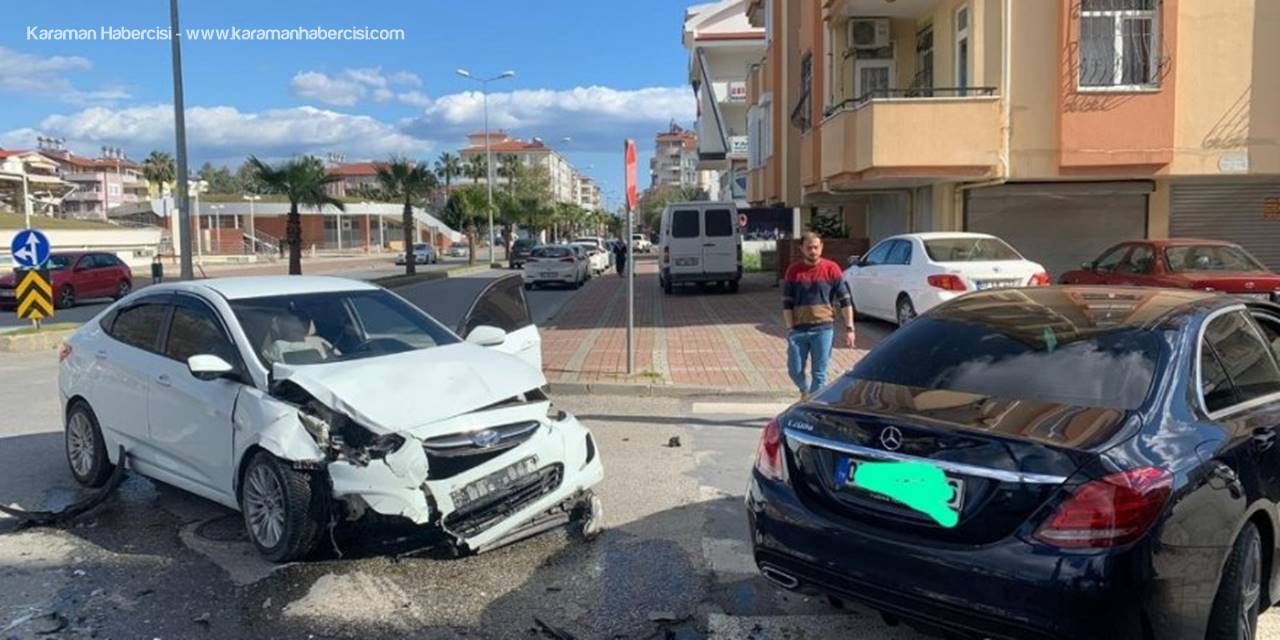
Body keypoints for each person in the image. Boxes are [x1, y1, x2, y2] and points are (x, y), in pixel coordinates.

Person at [783, 232, 854, 400]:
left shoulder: (832, 269)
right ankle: (805, 390)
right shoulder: (794, 271)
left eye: (816, 247)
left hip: (823, 329)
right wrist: (790, 328)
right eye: (809, 248)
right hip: (798, 330)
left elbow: (845, 300)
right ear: (802, 249)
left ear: (821, 247)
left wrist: (849, 328)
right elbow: (787, 303)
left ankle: (812, 409)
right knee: (795, 370)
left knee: (819, 374)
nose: (812, 251)